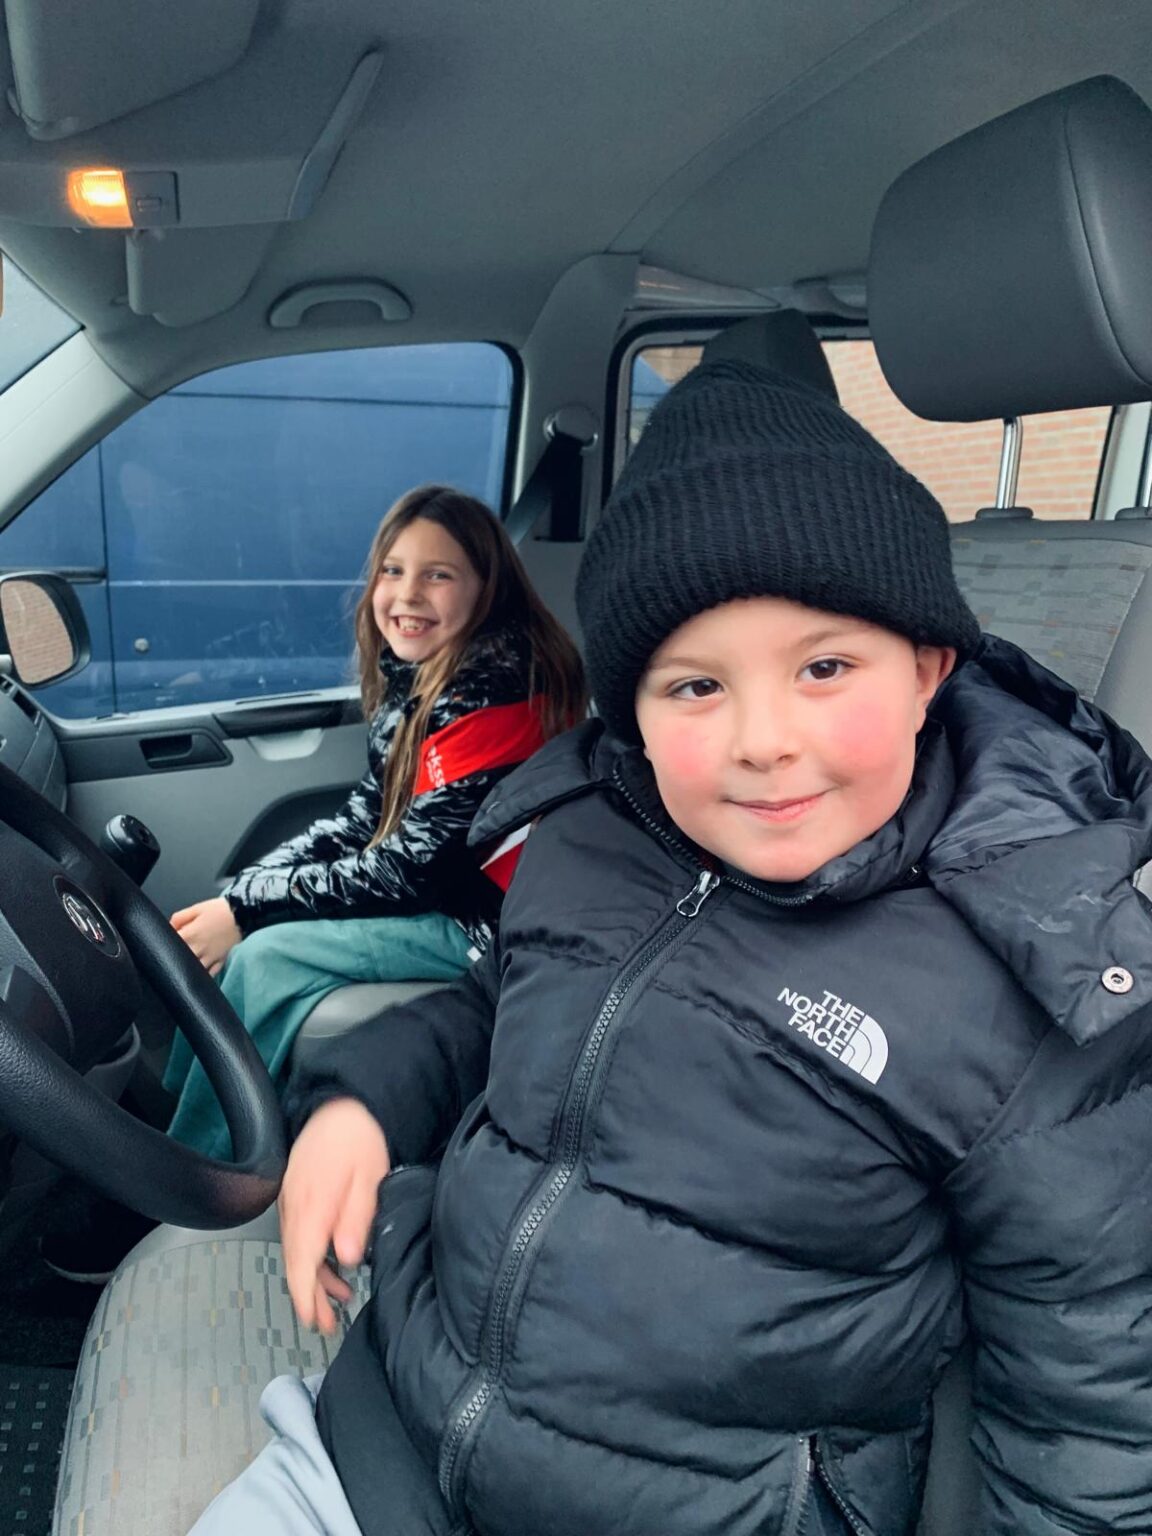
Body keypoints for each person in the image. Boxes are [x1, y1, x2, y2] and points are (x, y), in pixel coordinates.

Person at [193, 363, 1152, 1535]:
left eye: (824, 668)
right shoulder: (588, 833)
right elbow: (497, 1004)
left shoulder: (1033, 967)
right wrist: (365, 1103)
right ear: (633, 715)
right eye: (695, 685)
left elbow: (1094, 1393)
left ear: (927, 670)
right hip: (391, 1427)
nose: (762, 740)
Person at [40, 483, 585, 1283]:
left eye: (438, 575)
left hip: (489, 925)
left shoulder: (500, 690)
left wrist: (248, 910)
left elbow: (412, 868)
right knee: (243, 925)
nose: (406, 594)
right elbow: (368, 815)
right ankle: (182, 1127)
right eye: (393, 570)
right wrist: (249, 888)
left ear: (487, 587)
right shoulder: (432, 673)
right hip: (445, 897)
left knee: (263, 959)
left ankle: (187, 1191)